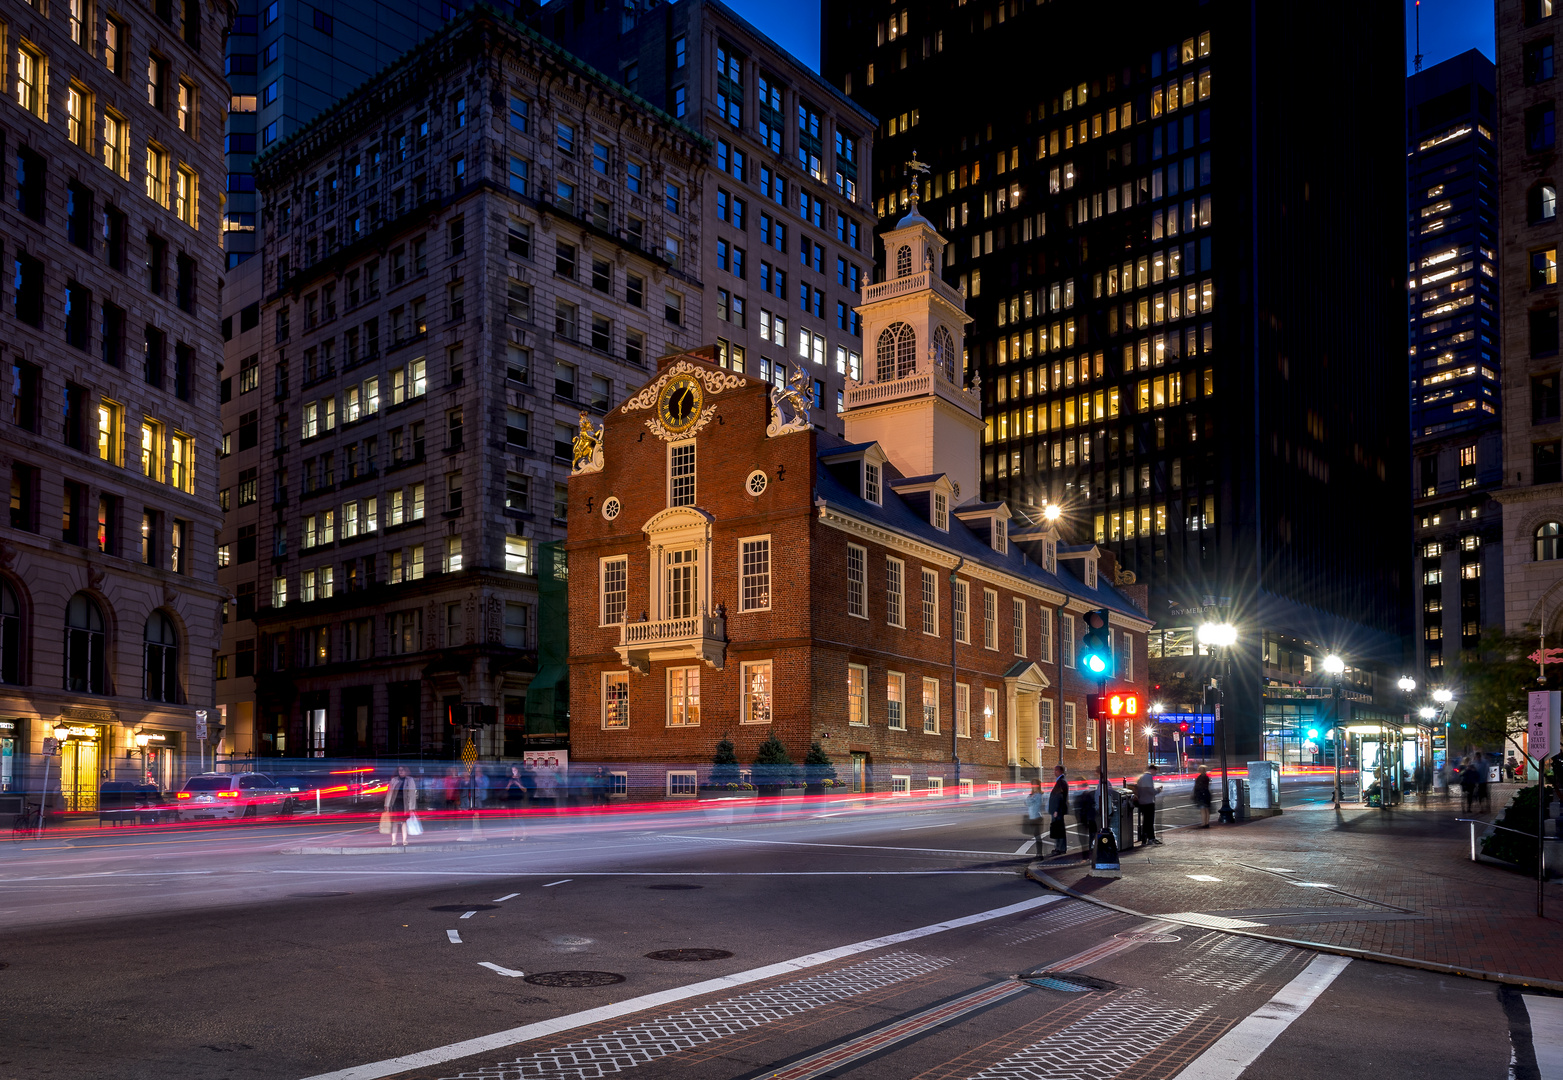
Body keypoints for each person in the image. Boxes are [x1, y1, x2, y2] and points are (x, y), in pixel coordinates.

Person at [384, 766, 418, 847]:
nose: (401, 772)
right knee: (394, 823)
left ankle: (404, 840)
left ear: (406, 771)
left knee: (404, 822)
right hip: (395, 804)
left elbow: (412, 794)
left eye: (403, 770)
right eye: (399, 770)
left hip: (404, 804)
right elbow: (389, 793)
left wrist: (411, 807)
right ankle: (394, 840)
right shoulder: (394, 780)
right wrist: (387, 804)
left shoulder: (410, 780)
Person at [1135, 765, 1164, 846]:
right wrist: (1159, 790)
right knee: (1149, 821)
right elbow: (1150, 791)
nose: (1156, 773)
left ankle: (1145, 838)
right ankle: (1151, 838)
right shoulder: (1148, 777)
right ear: (1152, 770)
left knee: (1146, 821)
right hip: (1148, 802)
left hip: (1142, 802)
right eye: (1155, 771)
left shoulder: (1142, 777)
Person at [1047, 765, 1070, 856]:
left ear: (1060, 771)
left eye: (1055, 770)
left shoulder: (1061, 782)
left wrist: (1056, 810)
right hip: (1059, 810)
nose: (1054, 772)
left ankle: (1060, 848)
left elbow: (1059, 797)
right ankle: (1059, 848)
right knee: (1059, 829)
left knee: (1058, 829)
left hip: (1058, 810)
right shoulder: (1061, 781)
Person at [1073, 776, 1099, 858]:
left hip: (1084, 819)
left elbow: (1078, 808)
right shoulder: (1089, 793)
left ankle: (1087, 853)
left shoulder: (1081, 794)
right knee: (1090, 836)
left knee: (1084, 837)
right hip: (1089, 818)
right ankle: (1090, 852)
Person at [1023, 778, 1045, 853]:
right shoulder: (1033, 795)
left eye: (1035, 784)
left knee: (1038, 837)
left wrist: (1030, 799)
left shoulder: (1038, 795)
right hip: (1032, 818)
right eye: (1032, 784)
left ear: (1038, 786)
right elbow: (1026, 802)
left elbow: (1030, 802)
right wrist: (1030, 799)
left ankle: (1040, 854)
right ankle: (1038, 853)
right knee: (1036, 836)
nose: (1033, 786)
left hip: (1037, 818)